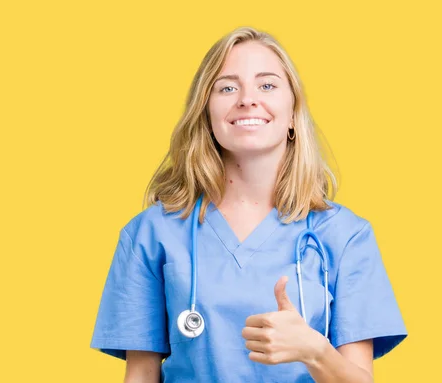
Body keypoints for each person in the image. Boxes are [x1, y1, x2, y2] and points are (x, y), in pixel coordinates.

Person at [90, 26, 407, 382]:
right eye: (227, 87)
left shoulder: (346, 236)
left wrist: (314, 351)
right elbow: (141, 377)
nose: (247, 99)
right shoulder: (151, 234)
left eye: (267, 85)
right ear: (207, 115)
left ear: (292, 115)